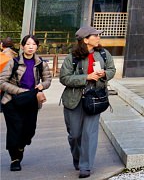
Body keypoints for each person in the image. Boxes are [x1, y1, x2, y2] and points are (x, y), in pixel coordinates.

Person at [59, 26, 115, 178]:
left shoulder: (103, 53)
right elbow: (64, 78)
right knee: (75, 134)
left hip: (95, 99)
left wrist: (104, 74)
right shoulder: (72, 57)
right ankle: (77, 157)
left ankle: (86, 166)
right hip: (73, 99)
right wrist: (86, 77)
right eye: (95, 35)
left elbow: (112, 69)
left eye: (98, 35)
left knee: (90, 133)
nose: (98, 38)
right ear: (85, 40)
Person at [2, 35, 52, 172]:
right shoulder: (14, 62)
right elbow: (2, 81)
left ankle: (20, 147)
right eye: (28, 44)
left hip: (30, 101)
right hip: (12, 101)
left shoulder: (41, 63)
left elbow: (48, 79)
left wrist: (42, 86)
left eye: (34, 44)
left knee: (29, 131)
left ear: (37, 47)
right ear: (22, 46)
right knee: (15, 130)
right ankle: (15, 159)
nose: (31, 47)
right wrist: (20, 91)